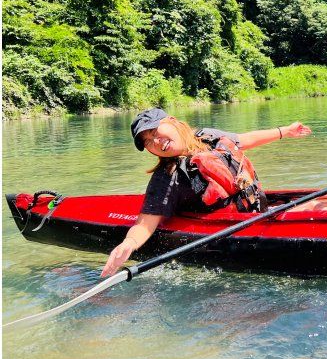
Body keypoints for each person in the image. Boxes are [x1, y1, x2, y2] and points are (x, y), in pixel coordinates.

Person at [101, 108, 312, 277]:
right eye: (147, 141)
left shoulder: (208, 137)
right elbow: (145, 223)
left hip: (258, 210)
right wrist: (128, 244)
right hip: (235, 229)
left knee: (319, 205)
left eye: (156, 132)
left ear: (173, 121)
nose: (156, 141)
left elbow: (244, 139)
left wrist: (286, 131)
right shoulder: (167, 176)